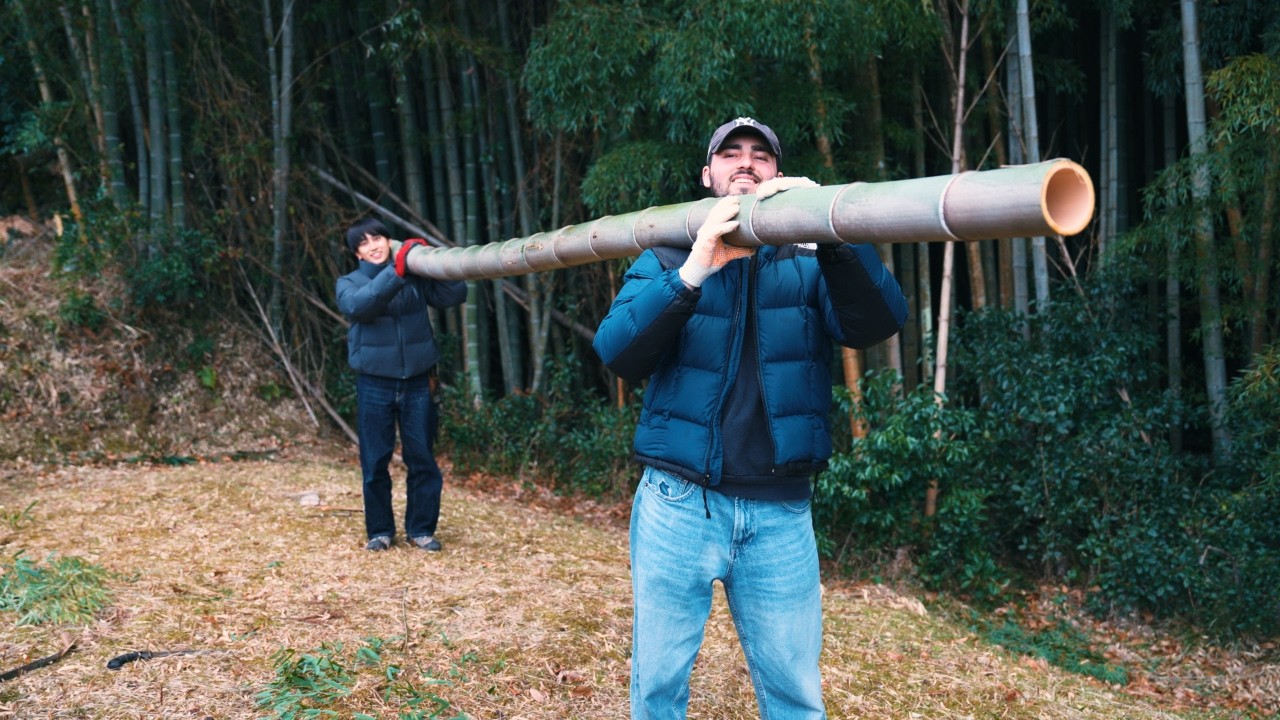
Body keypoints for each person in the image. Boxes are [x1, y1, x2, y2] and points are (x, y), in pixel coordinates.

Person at [592, 117, 909, 719]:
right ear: (707, 175)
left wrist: (834, 228)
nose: (746, 164)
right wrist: (694, 271)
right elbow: (618, 352)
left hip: (780, 512)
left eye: (760, 156)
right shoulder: (668, 249)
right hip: (678, 501)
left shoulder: (812, 259)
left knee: (795, 693)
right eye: (730, 154)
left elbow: (877, 323)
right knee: (657, 684)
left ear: (778, 173)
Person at [336, 218, 467, 552]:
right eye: (364, 243)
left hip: (418, 382)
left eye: (377, 237)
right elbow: (360, 307)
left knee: (422, 457)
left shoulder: (414, 276)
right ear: (357, 253)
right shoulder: (349, 283)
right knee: (375, 461)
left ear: (388, 240)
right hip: (374, 384)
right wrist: (397, 271)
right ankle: (379, 531)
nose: (373, 245)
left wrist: (431, 258)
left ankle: (420, 530)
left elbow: (455, 293)